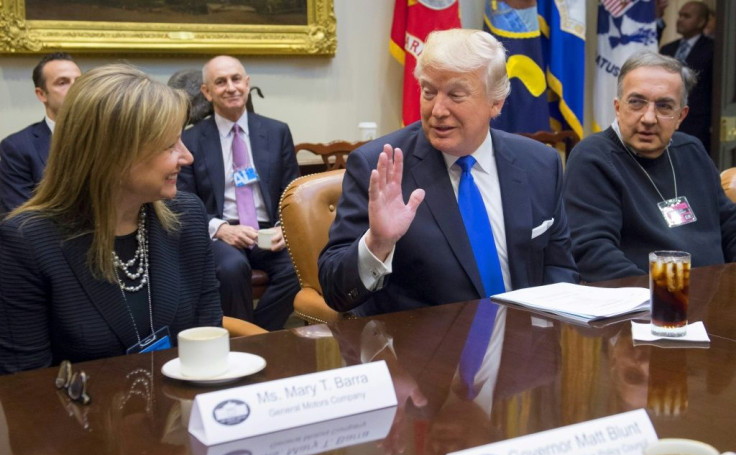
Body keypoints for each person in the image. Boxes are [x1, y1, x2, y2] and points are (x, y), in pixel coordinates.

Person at [318, 28, 578, 316]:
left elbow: (559, 266)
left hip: (526, 344)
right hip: (427, 352)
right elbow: (335, 292)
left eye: (455, 95)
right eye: (428, 92)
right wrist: (378, 244)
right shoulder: (380, 167)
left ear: (496, 102)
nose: (437, 110)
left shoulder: (541, 164)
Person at [0, 64, 222, 374]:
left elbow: (207, 335)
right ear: (112, 154)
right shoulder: (25, 243)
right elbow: (25, 386)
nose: (187, 157)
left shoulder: (186, 215)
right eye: (170, 144)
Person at [563, 51, 736, 283]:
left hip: (712, 296)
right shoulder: (593, 158)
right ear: (617, 107)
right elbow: (592, 253)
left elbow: (729, 225)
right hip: (644, 307)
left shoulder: (691, 150)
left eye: (664, 106)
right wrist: (664, 298)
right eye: (636, 103)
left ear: (681, 116)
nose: (648, 118)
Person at [178, 55, 300, 331]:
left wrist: (285, 226)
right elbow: (183, 200)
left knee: (299, 267)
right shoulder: (191, 139)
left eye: (236, 79)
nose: (231, 87)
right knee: (232, 269)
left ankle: (255, 335)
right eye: (220, 82)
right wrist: (220, 229)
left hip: (269, 231)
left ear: (247, 84)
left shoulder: (276, 131)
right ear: (207, 92)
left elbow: (292, 189)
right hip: (222, 233)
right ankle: (246, 341)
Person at [0, 52, 81, 214]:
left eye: (79, 82)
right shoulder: (17, 147)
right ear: (41, 94)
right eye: (62, 82)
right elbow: (20, 217)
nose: (75, 88)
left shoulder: (109, 137)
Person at [659, 1, 713, 152]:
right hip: (667, 117)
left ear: (701, 21)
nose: (680, 19)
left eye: (686, 16)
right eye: (680, 15)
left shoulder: (712, 49)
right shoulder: (668, 48)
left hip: (697, 123)